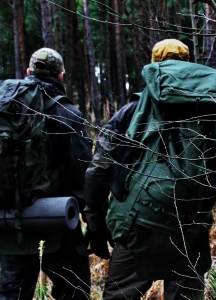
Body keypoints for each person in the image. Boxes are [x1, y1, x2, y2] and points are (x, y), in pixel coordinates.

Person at [83, 39, 216, 299]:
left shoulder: (131, 112)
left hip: (136, 224)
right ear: (187, 64)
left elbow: (97, 171)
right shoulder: (206, 113)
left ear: (154, 64)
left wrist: (95, 226)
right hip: (188, 225)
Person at [0, 48, 92, 300]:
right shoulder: (67, 113)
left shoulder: (6, 109)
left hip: (11, 220)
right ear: (60, 76)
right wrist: (90, 218)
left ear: (28, 73)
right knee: (73, 291)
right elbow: (82, 172)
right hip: (58, 219)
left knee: (12, 294)